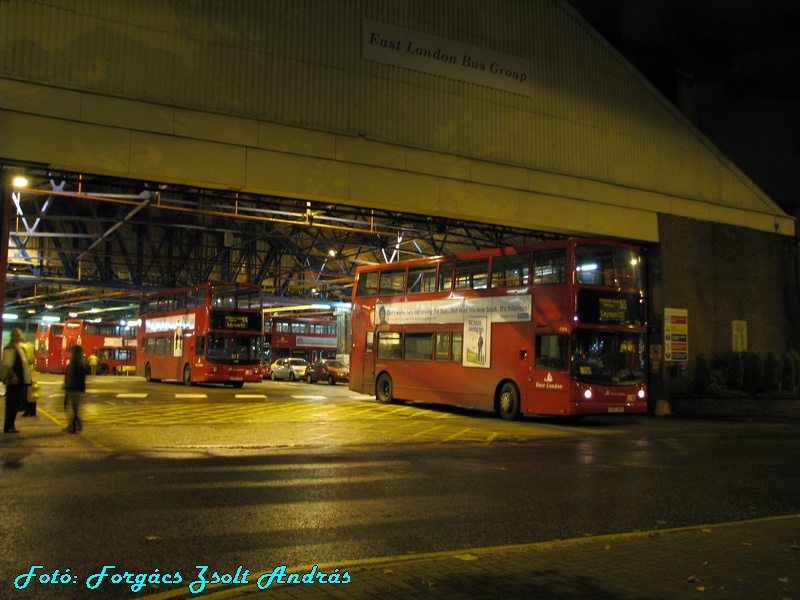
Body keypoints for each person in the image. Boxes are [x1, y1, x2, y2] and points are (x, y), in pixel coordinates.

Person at [1, 328, 33, 434]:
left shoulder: (20, 348)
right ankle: (8, 426)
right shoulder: (9, 348)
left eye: (18, 335)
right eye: (15, 335)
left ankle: (11, 424)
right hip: (14, 380)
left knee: (16, 403)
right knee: (11, 403)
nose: (17, 337)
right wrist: (13, 376)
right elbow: (7, 364)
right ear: (11, 336)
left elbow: (22, 363)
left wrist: (30, 361)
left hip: (21, 380)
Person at [64, 345, 89, 434]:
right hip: (73, 388)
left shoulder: (77, 364)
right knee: (74, 408)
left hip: (73, 388)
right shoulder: (78, 363)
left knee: (74, 409)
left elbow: (73, 377)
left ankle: (73, 426)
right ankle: (75, 424)